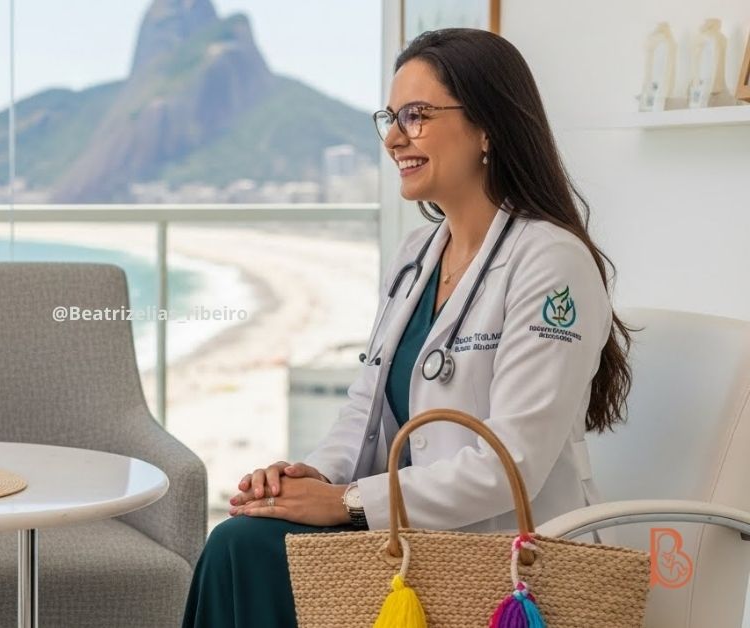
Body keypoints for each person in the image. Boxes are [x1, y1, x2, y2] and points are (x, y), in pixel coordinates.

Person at [182, 28, 633, 627]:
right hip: (412, 545)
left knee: (243, 551)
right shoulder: (417, 254)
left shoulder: (551, 262)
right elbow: (363, 412)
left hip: (499, 562)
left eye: (416, 116)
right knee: (241, 537)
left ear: (487, 127)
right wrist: (312, 477)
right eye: (391, 118)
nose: (395, 138)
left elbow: (511, 464)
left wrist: (344, 504)